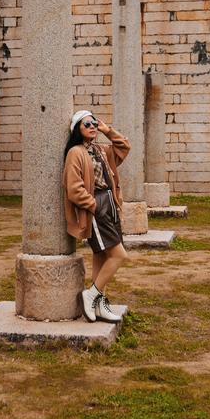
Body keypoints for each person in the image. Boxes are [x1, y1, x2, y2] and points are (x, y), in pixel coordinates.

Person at [63, 109, 130, 322]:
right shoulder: (76, 152)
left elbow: (124, 147)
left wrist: (107, 130)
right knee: (119, 255)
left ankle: (99, 304)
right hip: (97, 207)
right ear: (77, 130)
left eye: (94, 123)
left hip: (110, 204)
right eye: (87, 124)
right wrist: (94, 206)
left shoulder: (101, 150)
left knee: (102, 255)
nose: (92, 127)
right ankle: (91, 294)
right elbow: (73, 188)